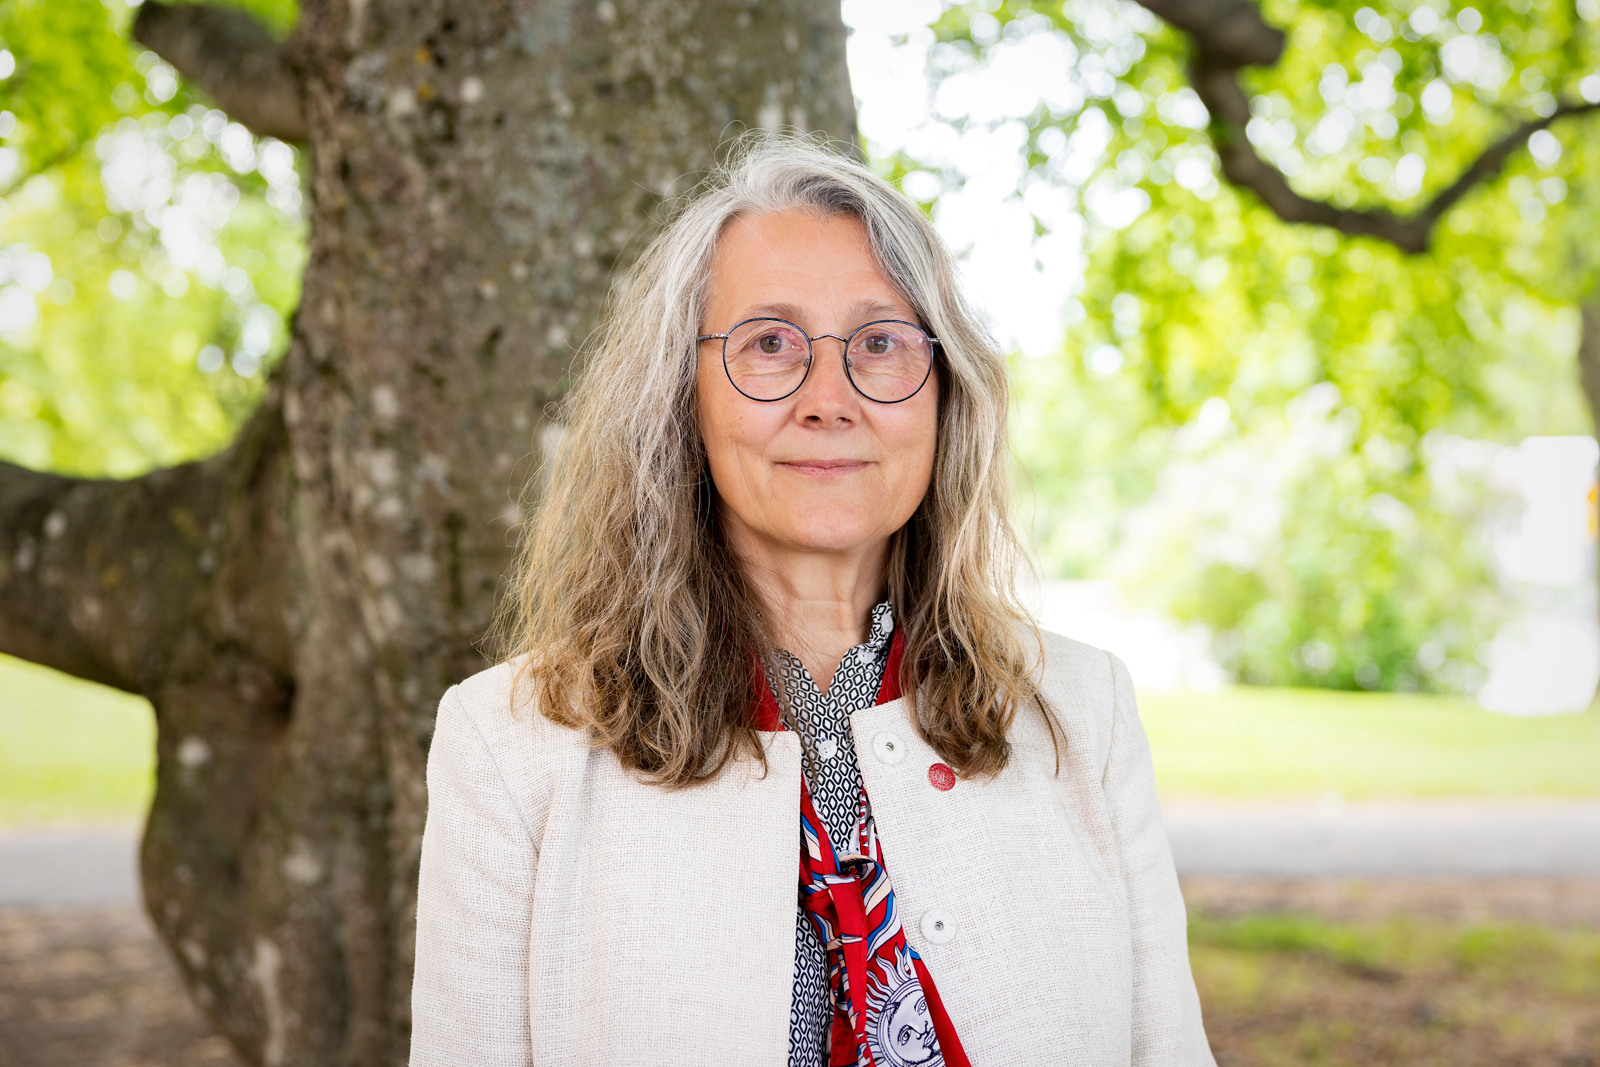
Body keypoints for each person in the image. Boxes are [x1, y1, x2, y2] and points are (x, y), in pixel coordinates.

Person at [409, 132, 1214, 1066]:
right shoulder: (509, 746)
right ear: (682, 396)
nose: (829, 399)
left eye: (880, 343)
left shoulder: (1086, 710)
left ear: (944, 393)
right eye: (769, 343)